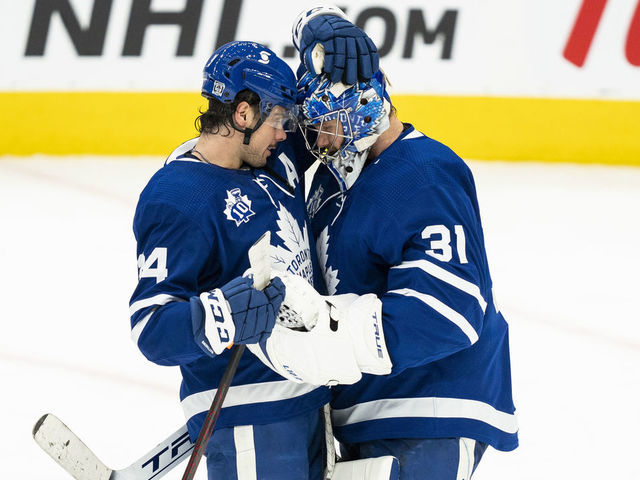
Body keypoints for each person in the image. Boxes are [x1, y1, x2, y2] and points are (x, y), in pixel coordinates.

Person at [251, 7, 518, 479]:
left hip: (429, 413)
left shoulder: (423, 173)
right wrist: (323, 25)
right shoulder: (333, 178)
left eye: (324, 120)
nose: (313, 134)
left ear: (361, 110)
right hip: (367, 420)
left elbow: (449, 310)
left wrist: (330, 333)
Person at [129, 41, 331, 480]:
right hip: (248, 414)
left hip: (311, 399)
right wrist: (219, 313)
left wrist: (318, 26)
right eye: (279, 120)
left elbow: (320, 78)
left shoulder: (273, 159)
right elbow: (150, 327)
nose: (286, 133)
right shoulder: (178, 197)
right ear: (243, 114)